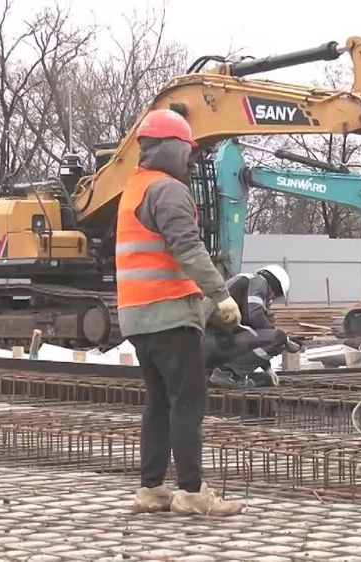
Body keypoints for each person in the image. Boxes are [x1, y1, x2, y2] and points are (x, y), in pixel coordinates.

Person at [117, 108, 244, 516]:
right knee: (188, 403)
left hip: (138, 316)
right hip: (170, 314)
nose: (190, 159)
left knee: (158, 404)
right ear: (170, 148)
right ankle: (192, 493)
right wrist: (221, 295)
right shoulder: (168, 191)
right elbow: (188, 249)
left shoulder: (133, 189)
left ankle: (151, 489)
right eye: (187, 151)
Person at [204, 265, 301, 389]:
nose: (271, 299)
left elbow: (253, 335)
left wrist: (267, 368)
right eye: (274, 296)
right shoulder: (258, 281)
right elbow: (254, 316)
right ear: (274, 286)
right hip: (213, 343)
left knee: (272, 337)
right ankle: (228, 374)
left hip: (205, 347)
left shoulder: (242, 283)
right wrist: (284, 339)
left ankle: (216, 373)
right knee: (278, 337)